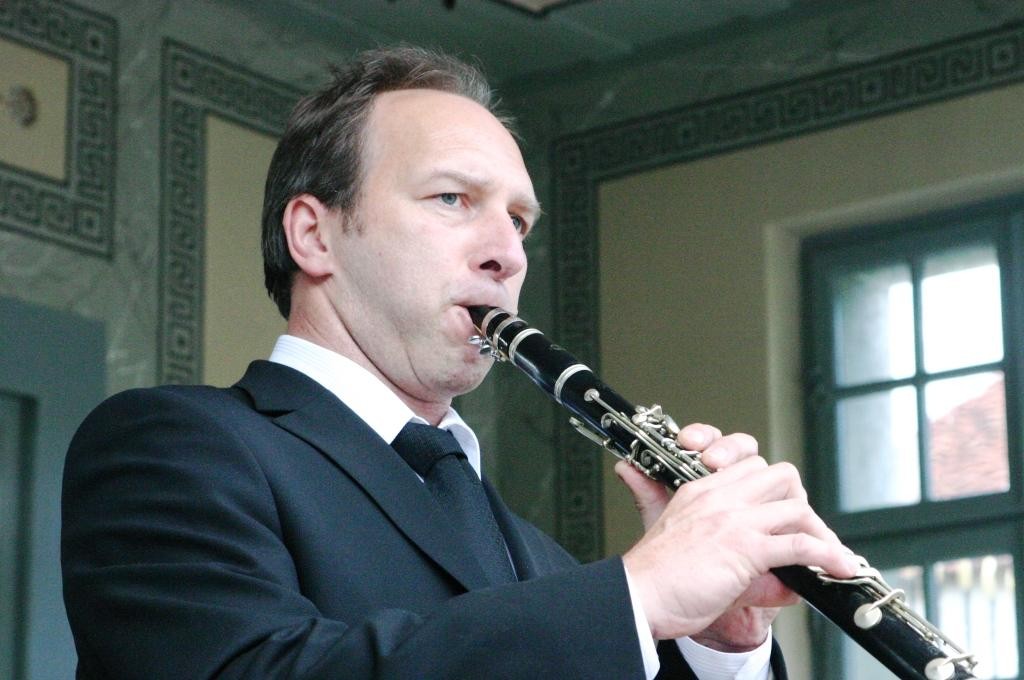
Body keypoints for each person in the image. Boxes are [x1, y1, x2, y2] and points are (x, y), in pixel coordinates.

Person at [61, 45, 857, 679]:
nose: (508, 254)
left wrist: (721, 642)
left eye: (520, 220)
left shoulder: (536, 557)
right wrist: (639, 593)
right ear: (314, 234)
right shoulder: (171, 446)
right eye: (453, 199)